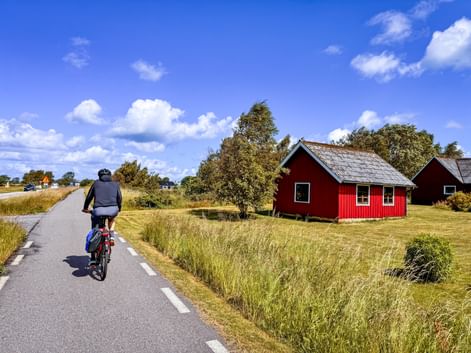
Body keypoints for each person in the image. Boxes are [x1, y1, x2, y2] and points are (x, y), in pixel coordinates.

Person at [82, 168, 122, 265]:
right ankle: (111, 236)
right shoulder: (116, 184)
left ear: (99, 176)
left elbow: (89, 197)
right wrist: (118, 208)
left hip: (98, 210)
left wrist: (85, 208)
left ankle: (93, 258)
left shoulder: (96, 183)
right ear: (110, 176)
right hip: (113, 209)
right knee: (111, 219)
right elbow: (119, 197)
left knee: (94, 230)